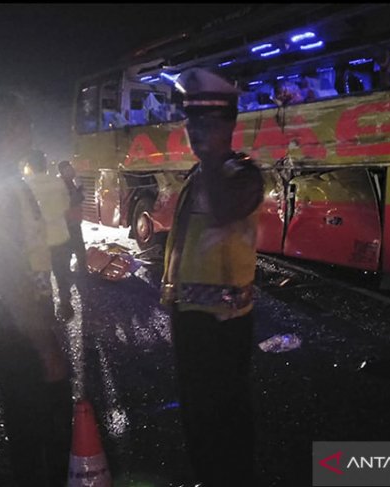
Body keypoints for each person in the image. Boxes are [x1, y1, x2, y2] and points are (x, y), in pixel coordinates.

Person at [0, 91, 72, 487]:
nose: (30, 128)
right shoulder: (0, 185)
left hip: (7, 316)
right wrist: (45, 346)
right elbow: (10, 272)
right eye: (24, 121)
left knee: (28, 427)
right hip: (14, 320)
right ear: (9, 127)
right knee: (42, 432)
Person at [161, 68, 264, 486]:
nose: (195, 130)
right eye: (191, 121)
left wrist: (209, 160)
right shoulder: (198, 175)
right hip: (190, 317)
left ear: (230, 125)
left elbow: (223, 212)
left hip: (225, 324)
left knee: (226, 414)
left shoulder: (243, 175)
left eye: (207, 122)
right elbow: (183, 238)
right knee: (196, 414)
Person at [24, 150, 75, 322]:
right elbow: (66, 205)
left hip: (39, 242)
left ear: (29, 166)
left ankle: (47, 312)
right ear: (45, 164)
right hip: (60, 236)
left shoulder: (25, 186)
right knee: (62, 273)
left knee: (42, 278)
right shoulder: (57, 182)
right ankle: (66, 304)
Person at [57, 160, 88, 278]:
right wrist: (80, 190)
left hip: (72, 219)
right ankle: (78, 271)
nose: (72, 170)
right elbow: (72, 201)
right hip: (69, 220)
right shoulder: (63, 184)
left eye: (71, 167)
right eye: (69, 169)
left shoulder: (69, 182)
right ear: (63, 171)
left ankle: (72, 270)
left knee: (72, 246)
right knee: (76, 246)